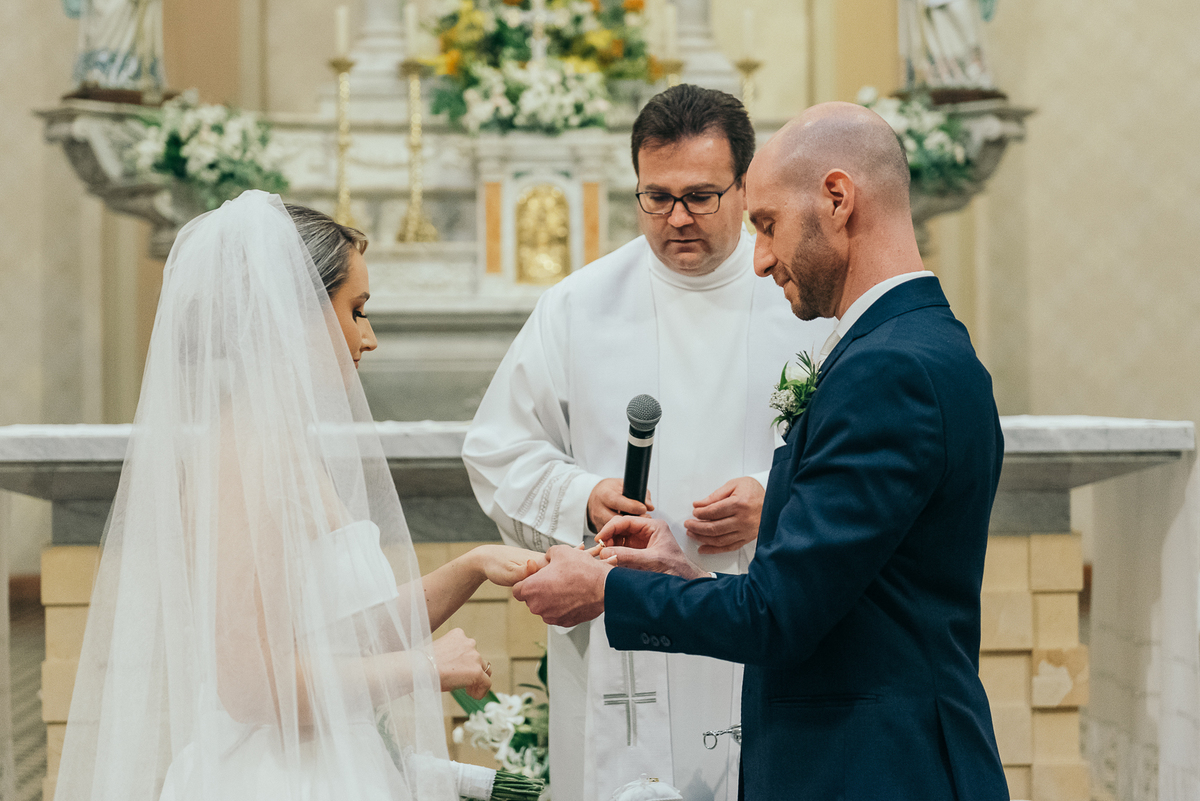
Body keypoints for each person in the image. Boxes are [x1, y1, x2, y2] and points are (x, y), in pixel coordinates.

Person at [512, 101, 1010, 800]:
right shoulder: (915, 343)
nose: (763, 257)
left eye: (768, 224)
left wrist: (608, 587)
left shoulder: (888, 369)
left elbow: (779, 614)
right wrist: (682, 575)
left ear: (837, 198)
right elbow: (851, 580)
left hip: (875, 766)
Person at [52, 191, 545, 801]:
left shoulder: (282, 444)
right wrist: (423, 667)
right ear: (293, 313)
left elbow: (337, 636)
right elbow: (251, 683)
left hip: (332, 764)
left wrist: (472, 567)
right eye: (356, 310)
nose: (369, 337)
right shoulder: (244, 457)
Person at [462, 85, 833, 801]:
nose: (677, 219)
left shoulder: (801, 299)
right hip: (619, 627)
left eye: (700, 196)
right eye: (656, 198)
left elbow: (854, 451)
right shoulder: (579, 305)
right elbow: (498, 449)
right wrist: (585, 496)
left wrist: (771, 494)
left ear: (745, 185)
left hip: (766, 602)